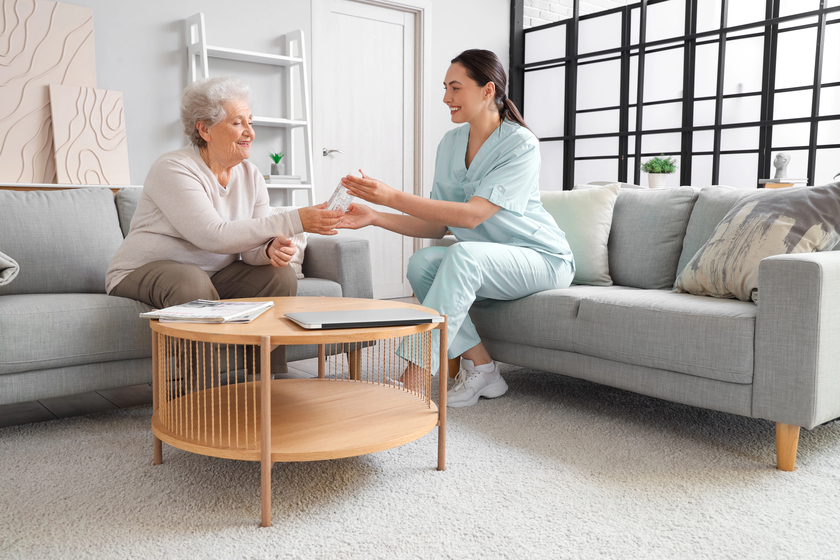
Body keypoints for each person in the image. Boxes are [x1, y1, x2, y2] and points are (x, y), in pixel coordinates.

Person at [338, 49, 575, 407]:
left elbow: (472, 216)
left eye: (455, 87)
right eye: (445, 88)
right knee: (422, 263)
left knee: (463, 255)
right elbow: (437, 226)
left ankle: (413, 379)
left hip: (541, 258)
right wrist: (375, 215)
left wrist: (392, 196)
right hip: (484, 260)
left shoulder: (520, 144)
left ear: (487, 90)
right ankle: (484, 371)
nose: (446, 98)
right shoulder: (449, 144)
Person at [106, 76, 343, 373]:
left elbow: (249, 248)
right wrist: (295, 219)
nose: (249, 133)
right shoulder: (173, 168)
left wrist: (268, 250)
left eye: (250, 122)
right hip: (141, 271)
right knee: (190, 280)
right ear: (204, 129)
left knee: (278, 275)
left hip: (213, 275)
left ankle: (272, 382)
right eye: (237, 123)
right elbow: (213, 235)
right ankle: (207, 400)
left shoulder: (251, 175)